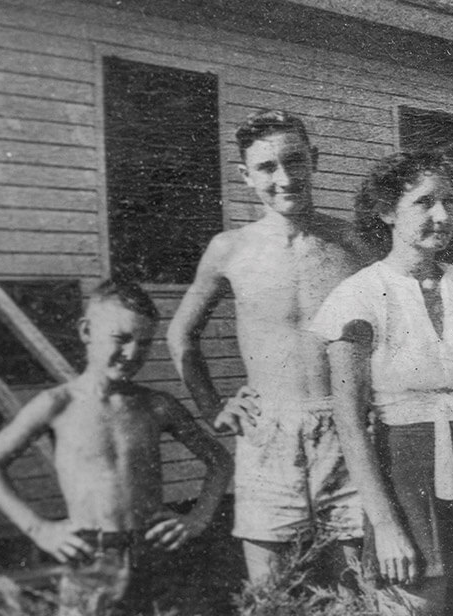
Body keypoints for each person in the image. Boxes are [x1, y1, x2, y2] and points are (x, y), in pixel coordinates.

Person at [167, 109, 373, 584]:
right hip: (269, 429)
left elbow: (387, 330)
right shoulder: (230, 249)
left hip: (343, 426)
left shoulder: (351, 243)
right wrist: (213, 406)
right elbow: (182, 334)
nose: (284, 178)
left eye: (294, 161)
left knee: (353, 584)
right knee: (272, 590)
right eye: (266, 168)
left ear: (314, 160)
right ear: (245, 176)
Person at [311, 152, 453, 615]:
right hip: (404, 471)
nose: (442, 216)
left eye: (449, 202)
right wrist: (384, 525)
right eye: (425, 203)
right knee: (419, 601)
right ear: (386, 210)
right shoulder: (358, 296)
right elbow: (348, 418)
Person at [0, 280, 233, 616]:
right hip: (92, 559)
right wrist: (39, 529)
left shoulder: (157, 406)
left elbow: (219, 460)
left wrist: (196, 519)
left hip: (153, 553)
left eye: (144, 342)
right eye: (121, 338)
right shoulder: (57, 404)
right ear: (86, 331)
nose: (132, 353)